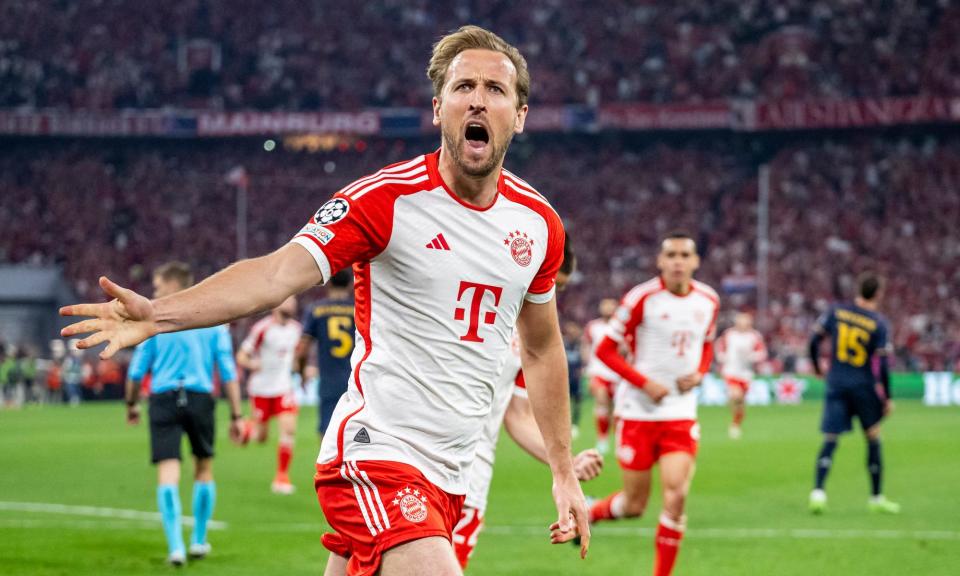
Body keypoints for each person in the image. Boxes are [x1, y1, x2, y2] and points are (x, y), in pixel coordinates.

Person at [61, 25, 589, 576]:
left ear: (520, 115)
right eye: (464, 87)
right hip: (376, 454)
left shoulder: (538, 225)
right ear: (439, 109)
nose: (478, 98)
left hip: (450, 475)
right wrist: (159, 313)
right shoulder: (384, 200)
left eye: (495, 89)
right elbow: (274, 274)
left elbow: (544, 348)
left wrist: (562, 472)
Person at [452, 235, 603, 570]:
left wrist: (565, 464)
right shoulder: (466, 301)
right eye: (548, 282)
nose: (550, 295)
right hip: (413, 455)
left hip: (471, 473)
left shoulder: (531, 343)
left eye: (558, 288)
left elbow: (518, 417)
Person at [587, 232, 719, 576]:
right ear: (660, 261)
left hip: (680, 413)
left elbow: (707, 344)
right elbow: (605, 351)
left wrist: (701, 372)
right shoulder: (641, 298)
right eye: (671, 255)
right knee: (634, 505)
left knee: (675, 498)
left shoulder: (709, 300)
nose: (677, 261)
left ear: (695, 261)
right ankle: (592, 512)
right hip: (637, 413)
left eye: (684, 255)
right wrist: (644, 382)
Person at [124, 262, 244, 565]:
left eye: (159, 285)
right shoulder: (213, 322)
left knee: (168, 471)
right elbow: (227, 371)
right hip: (201, 398)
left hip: (163, 399)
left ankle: (176, 547)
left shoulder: (155, 322)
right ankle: (199, 540)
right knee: (203, 468)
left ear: (174, 284)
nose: (155, 291)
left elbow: (137, 372)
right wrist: (236, 415)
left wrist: (131, 405)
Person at [808, 272, 900, 515]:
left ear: (858, 289)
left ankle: (818, 493)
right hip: (863, 386)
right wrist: (887, 397)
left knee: (830, 438)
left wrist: (818, 368)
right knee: (872, 436)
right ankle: (876, 498)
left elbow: (813, 341)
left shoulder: (836, 311)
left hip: (836, 383)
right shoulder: (878, 323)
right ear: (878, 293)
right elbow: (882, 365)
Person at [236, 295, 303, 494]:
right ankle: (249, 429)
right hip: (261, 388)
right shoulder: (262, 329)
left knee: (289, 429)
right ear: (277, 303)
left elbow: (296, 356)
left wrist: (302, 369)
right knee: (261, 437)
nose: (291, 304)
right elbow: (241, 356)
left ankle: (282, 476)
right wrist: (252, 364)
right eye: (288, 300)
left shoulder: (297, 329)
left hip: (284, 386)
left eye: (293, 300)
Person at [296, 269, 354, 441]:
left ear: (328, 282)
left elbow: (303, 347)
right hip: (357, 380)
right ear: (351, 285)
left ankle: (329, 468)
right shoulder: (360, 309)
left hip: (329, 381)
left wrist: (301, 372)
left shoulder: (316, 310)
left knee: (327, 433)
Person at [716, 312, 767, 439]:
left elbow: (762, 352)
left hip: (746, 374)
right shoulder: (729, 334)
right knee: (736, 395)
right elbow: (719, 346)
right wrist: (722, 357)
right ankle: (732, 406)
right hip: (731, 371)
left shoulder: (754, 336)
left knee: (741, 403)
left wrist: (753, 357)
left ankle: (735, 423)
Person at [582, 298, 621, 453]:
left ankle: (616, 437)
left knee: (614, 409)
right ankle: (602, 439)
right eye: (604, 305)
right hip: (597, 371)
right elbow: (586, 345)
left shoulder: (619, 327)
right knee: (602, 400)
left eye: (611, 305)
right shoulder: (593, 326)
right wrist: (586, 364)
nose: (607, 308)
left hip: (616, 374)